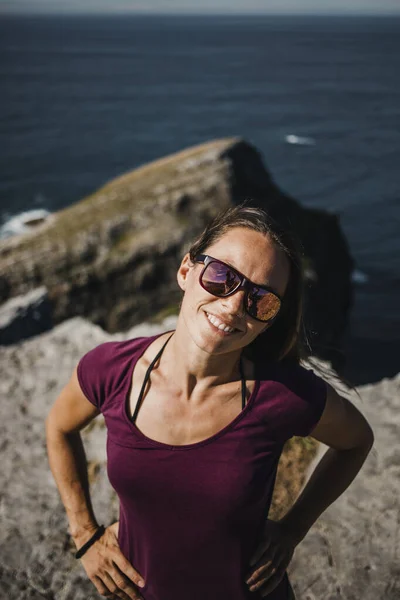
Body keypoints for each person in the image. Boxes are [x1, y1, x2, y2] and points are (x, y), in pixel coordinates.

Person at [45, 204, 374, 600]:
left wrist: (293, 528)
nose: (234, 305)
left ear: (269, 319)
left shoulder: (283, 394)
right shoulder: (111, 370)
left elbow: (356, 441)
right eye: (221, 276)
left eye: (261, 300)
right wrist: (84, 533)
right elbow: (60, 428)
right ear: (186, 271)